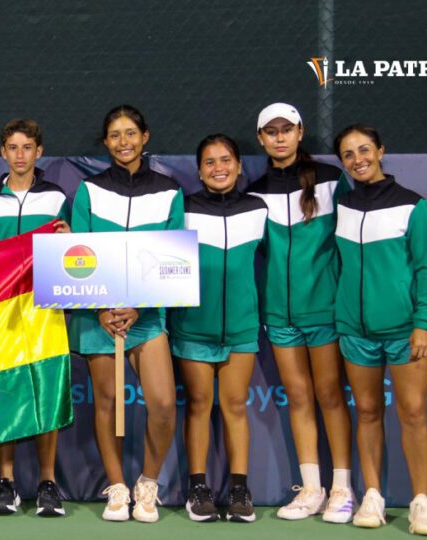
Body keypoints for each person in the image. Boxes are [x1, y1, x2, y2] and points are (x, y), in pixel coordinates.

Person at [69, 105, 183, 523]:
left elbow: (174, 257)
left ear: (145, 136)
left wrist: (139, 306)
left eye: (131, 133)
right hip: (98, 315)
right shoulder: (89, 190)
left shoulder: (169, 192)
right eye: (115, 135)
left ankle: (147, 484)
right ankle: (117, 488)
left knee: (163, 404)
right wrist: (101, 307)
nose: (123, 142)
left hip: (146, 316)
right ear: (105, 142)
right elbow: (77, 255)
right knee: (108, 403)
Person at [245, 103, 355, 522]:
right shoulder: (255, 192)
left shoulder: (330, 180)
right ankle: (311, 489)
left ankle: (342, 489)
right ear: (261, 138)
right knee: (299, 398)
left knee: (330, 396)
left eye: (286, 129)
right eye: (271, 131)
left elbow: (350, 242)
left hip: (324, 312)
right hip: (280, 316)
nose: (280, 137)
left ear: (300, 132)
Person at [333, 124, 427, 536]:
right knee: (366, 412)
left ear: (380, 151)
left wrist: (422, 324)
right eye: (348, 154)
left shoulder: (413, 205)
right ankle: (373, 496)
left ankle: (421, 503)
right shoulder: (342, 206)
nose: (357, 159)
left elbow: (426, 268)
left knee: (412, 413)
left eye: (364, 150)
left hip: (404, 331)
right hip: (354, 331)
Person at [0, 118, 70, 517]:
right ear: (3, 152)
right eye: (13, 147)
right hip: (0, 313)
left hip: (46, 310)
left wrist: (68, 240)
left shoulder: (57, 197)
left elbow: (73, 254)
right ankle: (6, 483)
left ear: (39, 152)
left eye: (28, 147)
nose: (20, 154)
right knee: (4, 393)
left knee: (46, 393)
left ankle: (48, 483)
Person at [169, 134, 267, 523]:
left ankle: (240, 491)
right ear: (199, 171)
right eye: (209, 162)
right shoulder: (184, 209)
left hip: (241, 328)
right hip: (193, 327)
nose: (218, 168)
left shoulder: (257, 209)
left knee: (235, 406)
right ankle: (198, 489)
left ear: (239, 166)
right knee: (197, 405)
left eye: (226, 160)